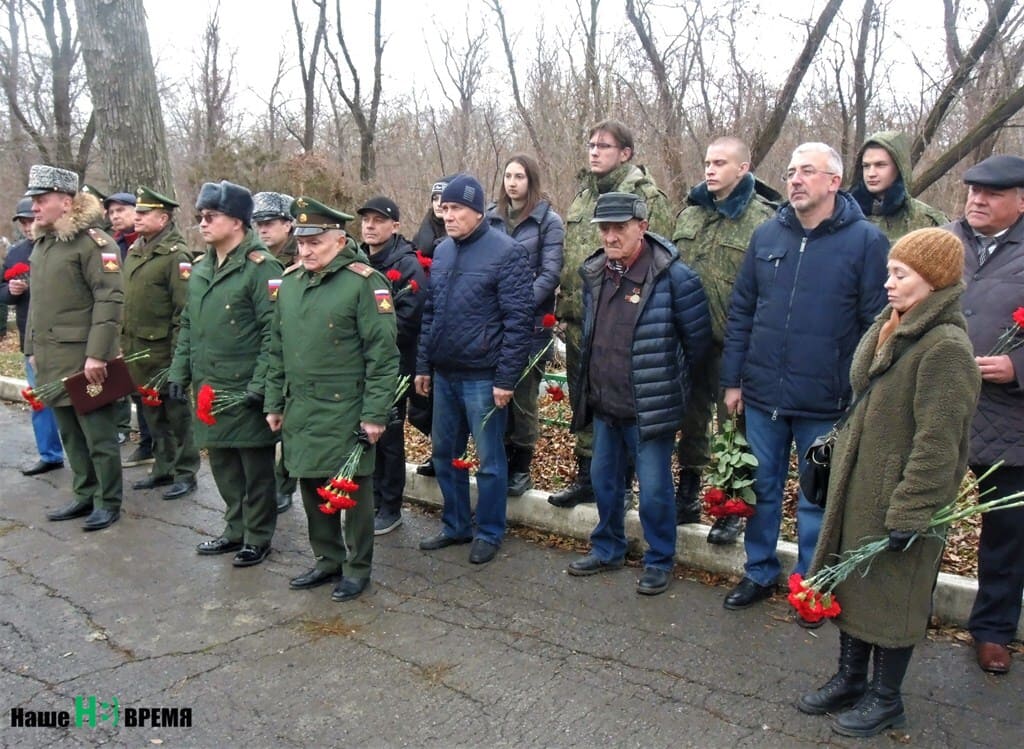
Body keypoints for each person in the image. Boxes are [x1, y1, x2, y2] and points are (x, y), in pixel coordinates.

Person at [799, 228, 980, 737]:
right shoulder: (896, 326)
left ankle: (886, 698)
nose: (888, 284)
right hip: (862, 486)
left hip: (900, 496)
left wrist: (912, 510)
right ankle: (851, 678)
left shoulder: (945, 347)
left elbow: (938, 444)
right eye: (889, 273)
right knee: (856, 586)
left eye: (900, 275)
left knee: (893, 598)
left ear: (934, 280)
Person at [720, 143, 889, 616]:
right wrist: (733, 381)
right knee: (761, 489)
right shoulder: (766, 236)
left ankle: (811, 584)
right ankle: (758, 571)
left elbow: (877, 324)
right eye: (792, 172)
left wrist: (861, 393)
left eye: (807, 172)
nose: (795, 180)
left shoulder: (865, 242)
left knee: (817, 497)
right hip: (762, 396)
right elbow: (742, 313)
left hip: (826, 400)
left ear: (834, 182)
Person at [566, 192, 710, 595]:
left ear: (642, 227)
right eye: (605, 229)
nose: (611, 237)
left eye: (620, 228)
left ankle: (659, 559)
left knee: (654, 490)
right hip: (604, 403)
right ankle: (608, 546)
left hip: (649, 408)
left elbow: (697, 344)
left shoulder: (675, 277)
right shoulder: (596, 273)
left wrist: (670, 388)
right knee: (605, 483)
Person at [266, 197, 399, 602]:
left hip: (347, 409)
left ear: (340, 241)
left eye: (315, 242)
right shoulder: (289, 284)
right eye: (301, 243)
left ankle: (357, 568)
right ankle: (327, 559)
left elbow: (384, 354)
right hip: (302, 406)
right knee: (309, 483)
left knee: (352, 491)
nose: (305, 251)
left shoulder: (363, 283)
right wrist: (274, 402)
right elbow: (276, 348)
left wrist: (375, 414)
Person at [550, 119, 672, 509]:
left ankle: (624, 485)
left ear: (625, 153)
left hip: (626, 320)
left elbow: (660, 258)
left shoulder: (645, 196)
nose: (594, 151)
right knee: (585, 400)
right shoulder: (584, 196)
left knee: (623, 407)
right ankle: (588, 477)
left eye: (603, 145)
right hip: (579, 318)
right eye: (591, 144)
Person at [414, 174, 534, 565]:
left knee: (489, 460)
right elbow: (430, 313)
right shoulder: (443, 250)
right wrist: (424, 365)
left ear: (477, 211)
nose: (448, 216)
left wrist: (505, 378)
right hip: (445, 373)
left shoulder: (507, 252)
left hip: (483, 377)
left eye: (456, 209)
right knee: (444, 453)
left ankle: (489, 530)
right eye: (445, 208)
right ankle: (455, 525)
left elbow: (519, 321)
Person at [168, 181, 282, 567]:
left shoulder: (261, 268)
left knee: (255, 470)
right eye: (201, 216)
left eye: (210, 217)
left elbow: (274, 333)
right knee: (223, 466)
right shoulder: (201, 268)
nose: (202, 223)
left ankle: (258, 535)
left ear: (236, 222)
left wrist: (260, 385)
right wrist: (178, 372)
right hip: (210, 388)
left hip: (245, 388)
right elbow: (189, 325)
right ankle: (234, 529)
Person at [671, 136, 779, 544]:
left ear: (743, 168)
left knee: (734, 429)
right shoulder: (691, 214)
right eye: (707, 162)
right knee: (689, 420)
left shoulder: (763, 220)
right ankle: (688, 492)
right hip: (687, 339)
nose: (710, 170)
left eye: (720, 163)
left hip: (737, 344)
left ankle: (732, 506)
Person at [943, 154, 1024, 674]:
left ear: (1020, 200)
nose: (977, 199)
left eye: (991, 193)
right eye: (973, 190)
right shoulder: (943, 241)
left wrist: (1017, 366)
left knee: (1008, 529)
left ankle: (993, 629)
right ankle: (902, 611)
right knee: (922, 516)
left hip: (1008, 415)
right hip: (941, 406)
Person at [24, 165, 124, 531]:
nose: (34, 207)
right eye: (34, 201)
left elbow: (110, 299)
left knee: (97, 435)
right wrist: (31, 345)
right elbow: (38, 302)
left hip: (85, 356)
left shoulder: (95, 243)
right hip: (52, 356)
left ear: (66, 203)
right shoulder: (46, 243)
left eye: (41, 200)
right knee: (69, 432)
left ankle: (108, 500)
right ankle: (85, 493)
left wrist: (98, 353)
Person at [486, 154, 564, 496]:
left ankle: (521, 466)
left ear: (531, 180)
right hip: (494, 320)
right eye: (508, 175)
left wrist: (518, 304)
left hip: (532, 322)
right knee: (496, 391)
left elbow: (550, 272)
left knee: (523, 395)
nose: (512, 182)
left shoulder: (548, 220)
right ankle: (499, 459)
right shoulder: (491, 218)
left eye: (519, 176)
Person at [122, 187, 200, 501]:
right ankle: (163, 467)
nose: (136, 218)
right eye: (137, 213)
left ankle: (185, 472)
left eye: (143, 213)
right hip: (138, 352)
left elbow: (184, 312)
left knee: (177, 415)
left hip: (164, 352)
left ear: (163, 218)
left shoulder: (176, 256)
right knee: (152, 416)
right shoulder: (135, 249)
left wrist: (179, 361)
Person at [356, 196, 427, 535]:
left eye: (378, 220)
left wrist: (368, 339)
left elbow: (409, 318)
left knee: (389, 435)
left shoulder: (406, 264)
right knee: (364, 432)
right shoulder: (356, 259)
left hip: (394, 364)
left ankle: (391, 505)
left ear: (395, 226)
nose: (370, 226)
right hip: (359, 365)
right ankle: (370, 497)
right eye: (366, 220)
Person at [0, 198, 64, 475]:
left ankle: (88, 456)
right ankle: (50, 454)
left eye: (31, 220)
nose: (28, 226)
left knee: (76, 401)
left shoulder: (62, 246)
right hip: (31, 338)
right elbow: (2, 292)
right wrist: (10, 291)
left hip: (64, 338)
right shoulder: (16, 253)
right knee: (40, 400)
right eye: (23, 222)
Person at [252, 190, 298, 514]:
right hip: (266, 349)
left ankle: (285, 485)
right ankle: (269, 483)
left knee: (289, 425)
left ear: (289, 224)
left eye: (269, 223)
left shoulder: (302, 253)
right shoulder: (256, 258)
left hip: (296, 350)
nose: (263, 230)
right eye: (259, 224)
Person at [411, 175, 456, 479]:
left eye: (445, 200)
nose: (439, 206)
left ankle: (450, 453)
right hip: (424, 320)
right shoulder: (422, 235)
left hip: (449, 323)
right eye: (434, 200)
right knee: (424, 401)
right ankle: (436, 450)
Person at [104, 190, 153, 463]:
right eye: (111, 212)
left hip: (149, 332)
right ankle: (145, 442)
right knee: (133, 389)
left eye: (121, 210)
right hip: (122, 329)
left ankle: (160, 449)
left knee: (153, 395)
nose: (115, 216)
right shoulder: (113, 246)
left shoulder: (145, 245)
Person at [849, 131, 947, 241]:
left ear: (899, 168)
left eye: (880, 165)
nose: (871, 173)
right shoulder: (844, 216)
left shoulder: (927, 223)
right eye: (866, 166)